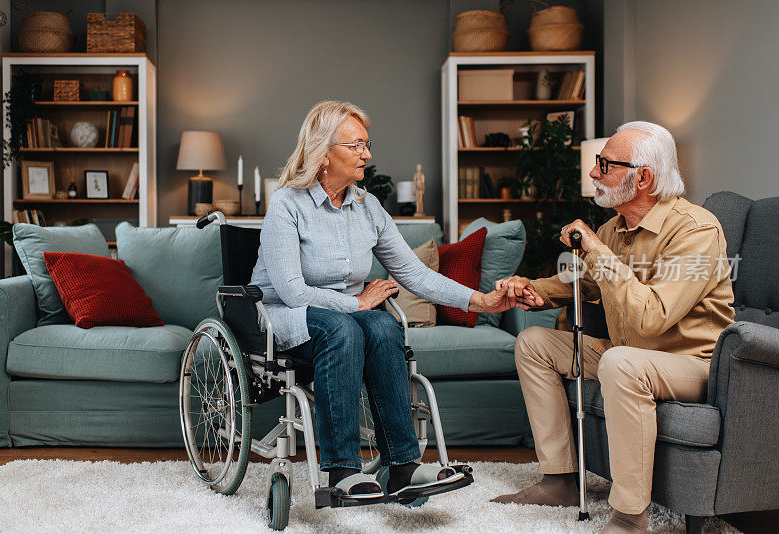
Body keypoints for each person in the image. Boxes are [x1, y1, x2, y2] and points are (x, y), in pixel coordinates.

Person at [249, 101, 528, 497]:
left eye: (367, 143)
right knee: (346, 327)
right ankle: (342, 472)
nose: (368, 153)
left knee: (383, 325)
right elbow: (293, 293)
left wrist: (480, 302)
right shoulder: (286, 204)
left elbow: (413, 273)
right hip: (288, 317)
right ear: (324, 152)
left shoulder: (367, 207)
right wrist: (357, 304)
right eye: (357, 145)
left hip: (343, 321)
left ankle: (403, 468)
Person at [490, 121, 735, 534]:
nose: (593, 173)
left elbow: (652, 316)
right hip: (630, 355)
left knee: (621, 363)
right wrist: (530, 288)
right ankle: (560, 479)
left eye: (604, 164)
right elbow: (581, 282)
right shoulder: (614, 229)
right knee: (534, 343)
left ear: (643, 177)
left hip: (691, 363)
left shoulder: (696, 230)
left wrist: (598, 250)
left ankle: (628, 517)